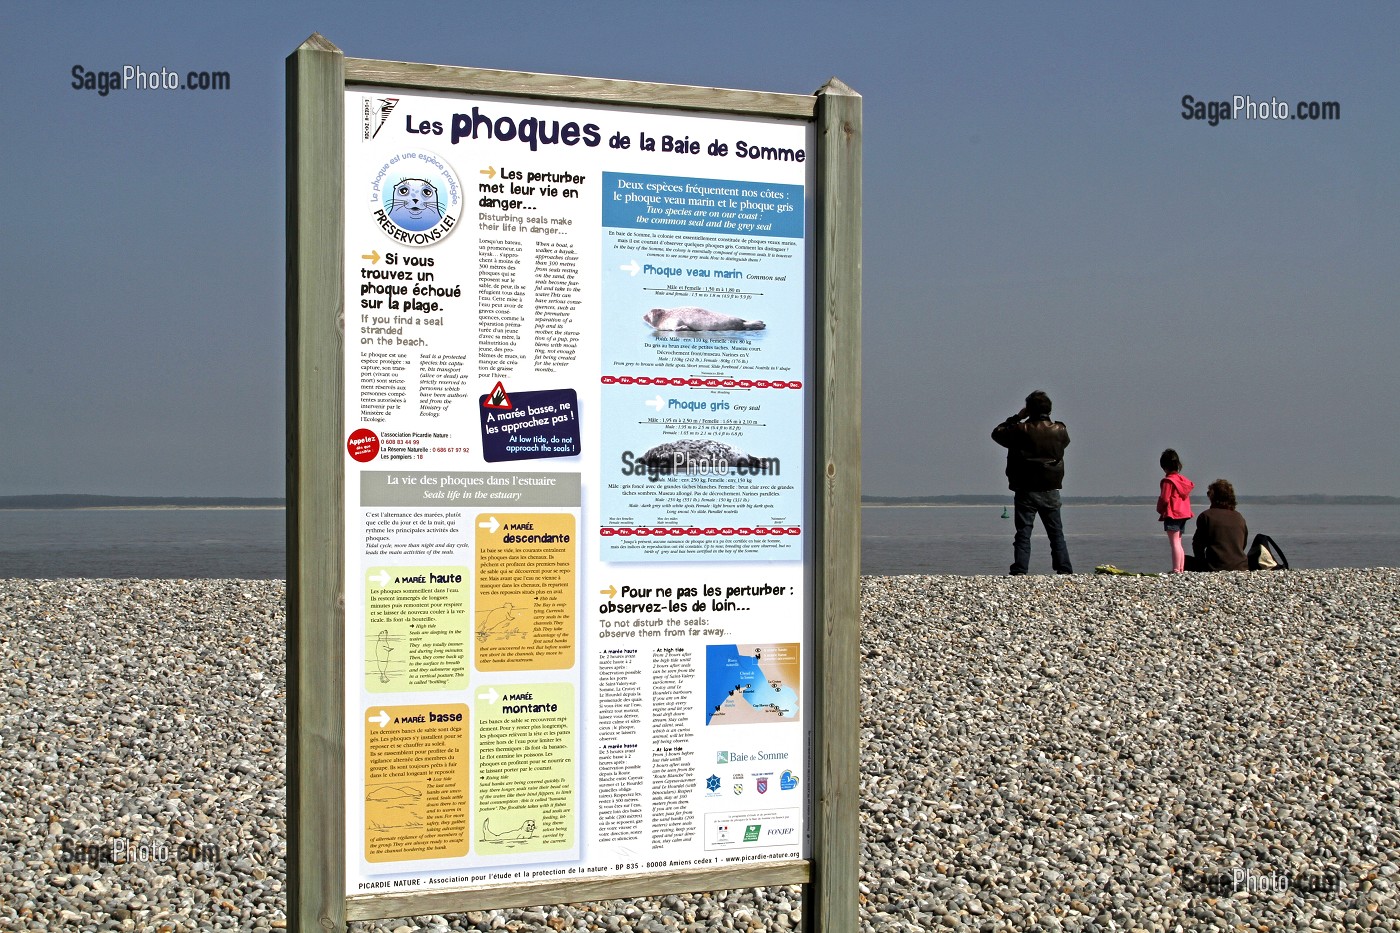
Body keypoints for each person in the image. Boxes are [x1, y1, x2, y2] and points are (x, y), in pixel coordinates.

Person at [992, 390, 1072, 575]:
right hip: (1050, 487)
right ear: (1049, 409)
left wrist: (1017, 417)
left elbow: (997, 433)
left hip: (1025, 488)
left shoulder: (1020, 430)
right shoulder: (1059, 430)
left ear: (1029, 410)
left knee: (1023, 533)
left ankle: (1020, 569)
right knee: (1056, 534)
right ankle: (1064, 568)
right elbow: (1064, 443)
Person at [1191, 479, 1249, 571]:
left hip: (1215, 566)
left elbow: (1198, 545)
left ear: (1213, 496)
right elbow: (1243, 544)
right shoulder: (1239, 516)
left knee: (1185, 560)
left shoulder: (1206, 516)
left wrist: (1201, 565)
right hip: (1241, 566)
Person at [1155, 449, 1194, 573]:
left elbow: (1165, 498)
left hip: (1172, 514)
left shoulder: (1168, 481)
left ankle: (1176, 569)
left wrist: (1159, 509)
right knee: (1179, 541)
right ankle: (1181, 568)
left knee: (1174, 543)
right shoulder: (1183, 481)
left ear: (1164, 466)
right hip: (1184, 514)